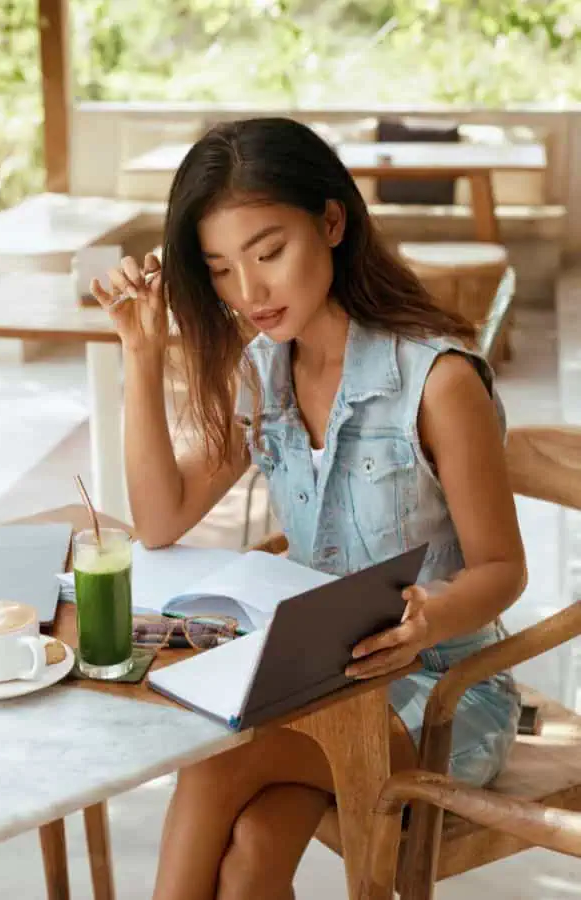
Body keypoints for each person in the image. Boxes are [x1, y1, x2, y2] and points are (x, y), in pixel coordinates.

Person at [91, 117, 526, 900]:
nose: (248, 293)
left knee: (220, 758)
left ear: (331, 223)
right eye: (221, 269)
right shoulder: (267, 374)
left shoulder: (439, 381)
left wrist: (429, 614)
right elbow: (159, 519)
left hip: (439, 696)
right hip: (320, 684)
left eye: (268, 253)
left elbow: (503, 570)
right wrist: (142, 351)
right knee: (254, 857)